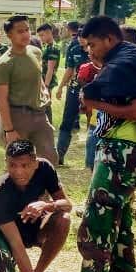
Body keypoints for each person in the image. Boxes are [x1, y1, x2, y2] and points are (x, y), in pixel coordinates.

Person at [59, 16, 136, 272]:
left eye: (93, 44)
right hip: (126, 152)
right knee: (119, 224)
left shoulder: (123, 67)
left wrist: (98, 105)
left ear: (111, 41)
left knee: (97, 225)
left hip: (119, 153)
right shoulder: (126, 65)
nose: (90, 50)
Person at [0, 139, 72, 272]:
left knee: (63, 219)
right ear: (6, 163)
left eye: (25, 165)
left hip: (37, 226)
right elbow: (16, 244)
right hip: (9, 235)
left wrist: (47, 205)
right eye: (12, 165)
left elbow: (68, 205)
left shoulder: (45, 168)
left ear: (35, 163)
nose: (18, 172)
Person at [0, 15, 59, 165]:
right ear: (10, 35)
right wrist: (9, 130)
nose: (26, 34)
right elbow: (1, 100)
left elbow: (37, 73)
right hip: (17, 117)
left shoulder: (35, 52)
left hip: (40, 114)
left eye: (27, 30)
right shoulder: (4, 64)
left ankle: (47, 189)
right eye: (20, 31)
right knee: (18, 164)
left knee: (50, 159)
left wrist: (44, 88)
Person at [55, 20, 89, 166]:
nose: (80, 39)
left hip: (93, 91)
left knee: (93, 124)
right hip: (74, 89)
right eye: (79, 36)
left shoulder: (99, 49)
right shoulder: (74, 48)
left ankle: (92, 159)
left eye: (84, 36)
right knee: (66, 122)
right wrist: (61, 86)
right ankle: (59, 156)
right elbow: (70, 69)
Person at [76, 50, 103, 170]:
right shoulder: (86, 68)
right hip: (94, 113)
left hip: (104, 116)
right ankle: (92, 167)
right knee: (92, 138)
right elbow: (81, 83)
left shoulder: (111, 68)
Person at [37, 23, 61, 125]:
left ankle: (48, 126)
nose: (40, 38)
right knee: (43, 104)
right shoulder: (47, 46)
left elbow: (50, 69)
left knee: (46, 104)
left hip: (48, 80)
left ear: (49, 33)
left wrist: (45, 86)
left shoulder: (52, 48)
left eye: (42, 35)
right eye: (39, 36)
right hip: (43, 79)